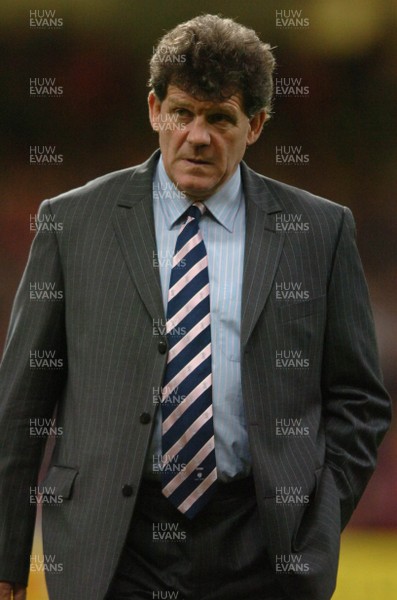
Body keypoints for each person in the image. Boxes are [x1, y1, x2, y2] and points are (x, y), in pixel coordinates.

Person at [0, 14, 391, 600]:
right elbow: (20, 405)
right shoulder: (71, 222)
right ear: (155, 109)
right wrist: (7, 563)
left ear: (256, 124)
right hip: (113, 547)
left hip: (259, 545)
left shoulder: (320, 230)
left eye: (220, 117)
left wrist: (318, 511)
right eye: (183, 112)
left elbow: (358, 398)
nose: (197, 135)